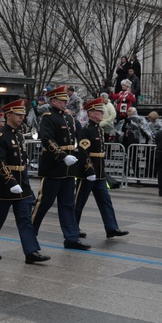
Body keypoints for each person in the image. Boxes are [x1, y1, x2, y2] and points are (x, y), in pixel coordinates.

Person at [0, 99, 49, 264]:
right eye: (18, 114)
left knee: (25, 219)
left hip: (21, 185)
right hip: (5, 185)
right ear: (8, 115)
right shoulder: (0, 137)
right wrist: (11, 183)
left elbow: (22, 161)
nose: (22, 117)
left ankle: (31, 251)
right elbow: (0, 163)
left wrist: (23, 182)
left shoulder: (19, 135)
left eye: (22, 114)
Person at [31, 86, 88, 250]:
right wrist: (62, 156)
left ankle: (71, 238)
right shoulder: (48, 118)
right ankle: (30, 233)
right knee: (44, 203)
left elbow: (77, 138)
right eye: (62, 100)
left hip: (68, 170)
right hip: (53, 167)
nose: (65, 103)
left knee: (68, 204)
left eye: (66, 100)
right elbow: (47, 139)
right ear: (54, 101)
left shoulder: (69, 118)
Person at [74, 98, 129, 240]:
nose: (102, 113)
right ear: (91, 113)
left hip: (99, 173)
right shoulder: (86, 130)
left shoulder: (99, 128)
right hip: (87, 173)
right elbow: (83, 152)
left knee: (105, 201)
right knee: (79, 202)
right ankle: (73, 228)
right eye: (99, 111)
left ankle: (111, 227)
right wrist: (89, 170)